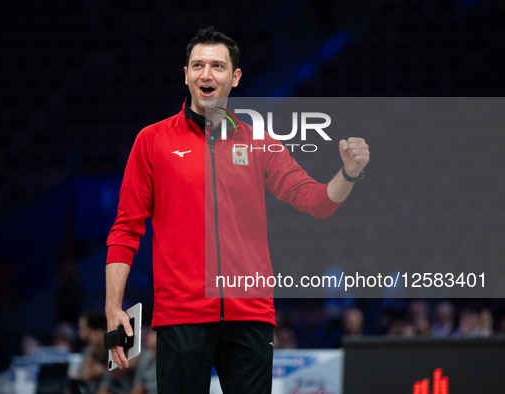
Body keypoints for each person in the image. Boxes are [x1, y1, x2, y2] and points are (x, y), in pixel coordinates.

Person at [105, 26, 370, 393]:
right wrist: (113, 306)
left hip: (250, 315)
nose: (206, 74)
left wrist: (349, 174)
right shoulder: (151, 141)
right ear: (186, 75)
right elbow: (125, 229)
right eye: (197, 65)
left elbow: (316, 201)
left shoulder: (260, 142)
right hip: (181, 314)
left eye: (217, 65)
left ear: (235, 77)